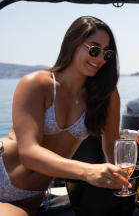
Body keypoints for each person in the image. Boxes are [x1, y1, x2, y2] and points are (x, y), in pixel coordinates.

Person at [0, 16, 130, 216]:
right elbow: (29, 153)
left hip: (33, 199)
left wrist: (124, 182)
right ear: (73, 43)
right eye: (94, 49)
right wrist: (88, 171)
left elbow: (113, 147)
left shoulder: (106, 94)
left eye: (107, 53)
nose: (100, 59)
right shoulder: (37, 84)